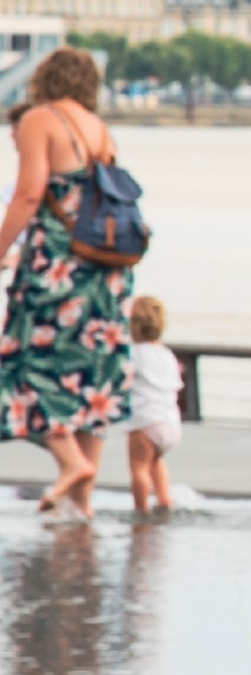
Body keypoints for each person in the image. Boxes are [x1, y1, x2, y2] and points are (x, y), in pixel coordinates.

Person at [0, 48, 135, 517]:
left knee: (25, 361)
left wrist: (0, 248)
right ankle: (82, 505)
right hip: (106, 271)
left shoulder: (41, 118)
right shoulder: (100, 129)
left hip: (58, 266)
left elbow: (30, 192)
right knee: (90, 377)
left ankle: (71, 463)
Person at [124, 293, 181, 515]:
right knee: (156, 462)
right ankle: (164, 499)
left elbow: (121, 379)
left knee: (139, 469)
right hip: (170, 422)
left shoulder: (134, 353)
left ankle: (141, 510)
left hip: (146, 421)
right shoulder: (167, 354)